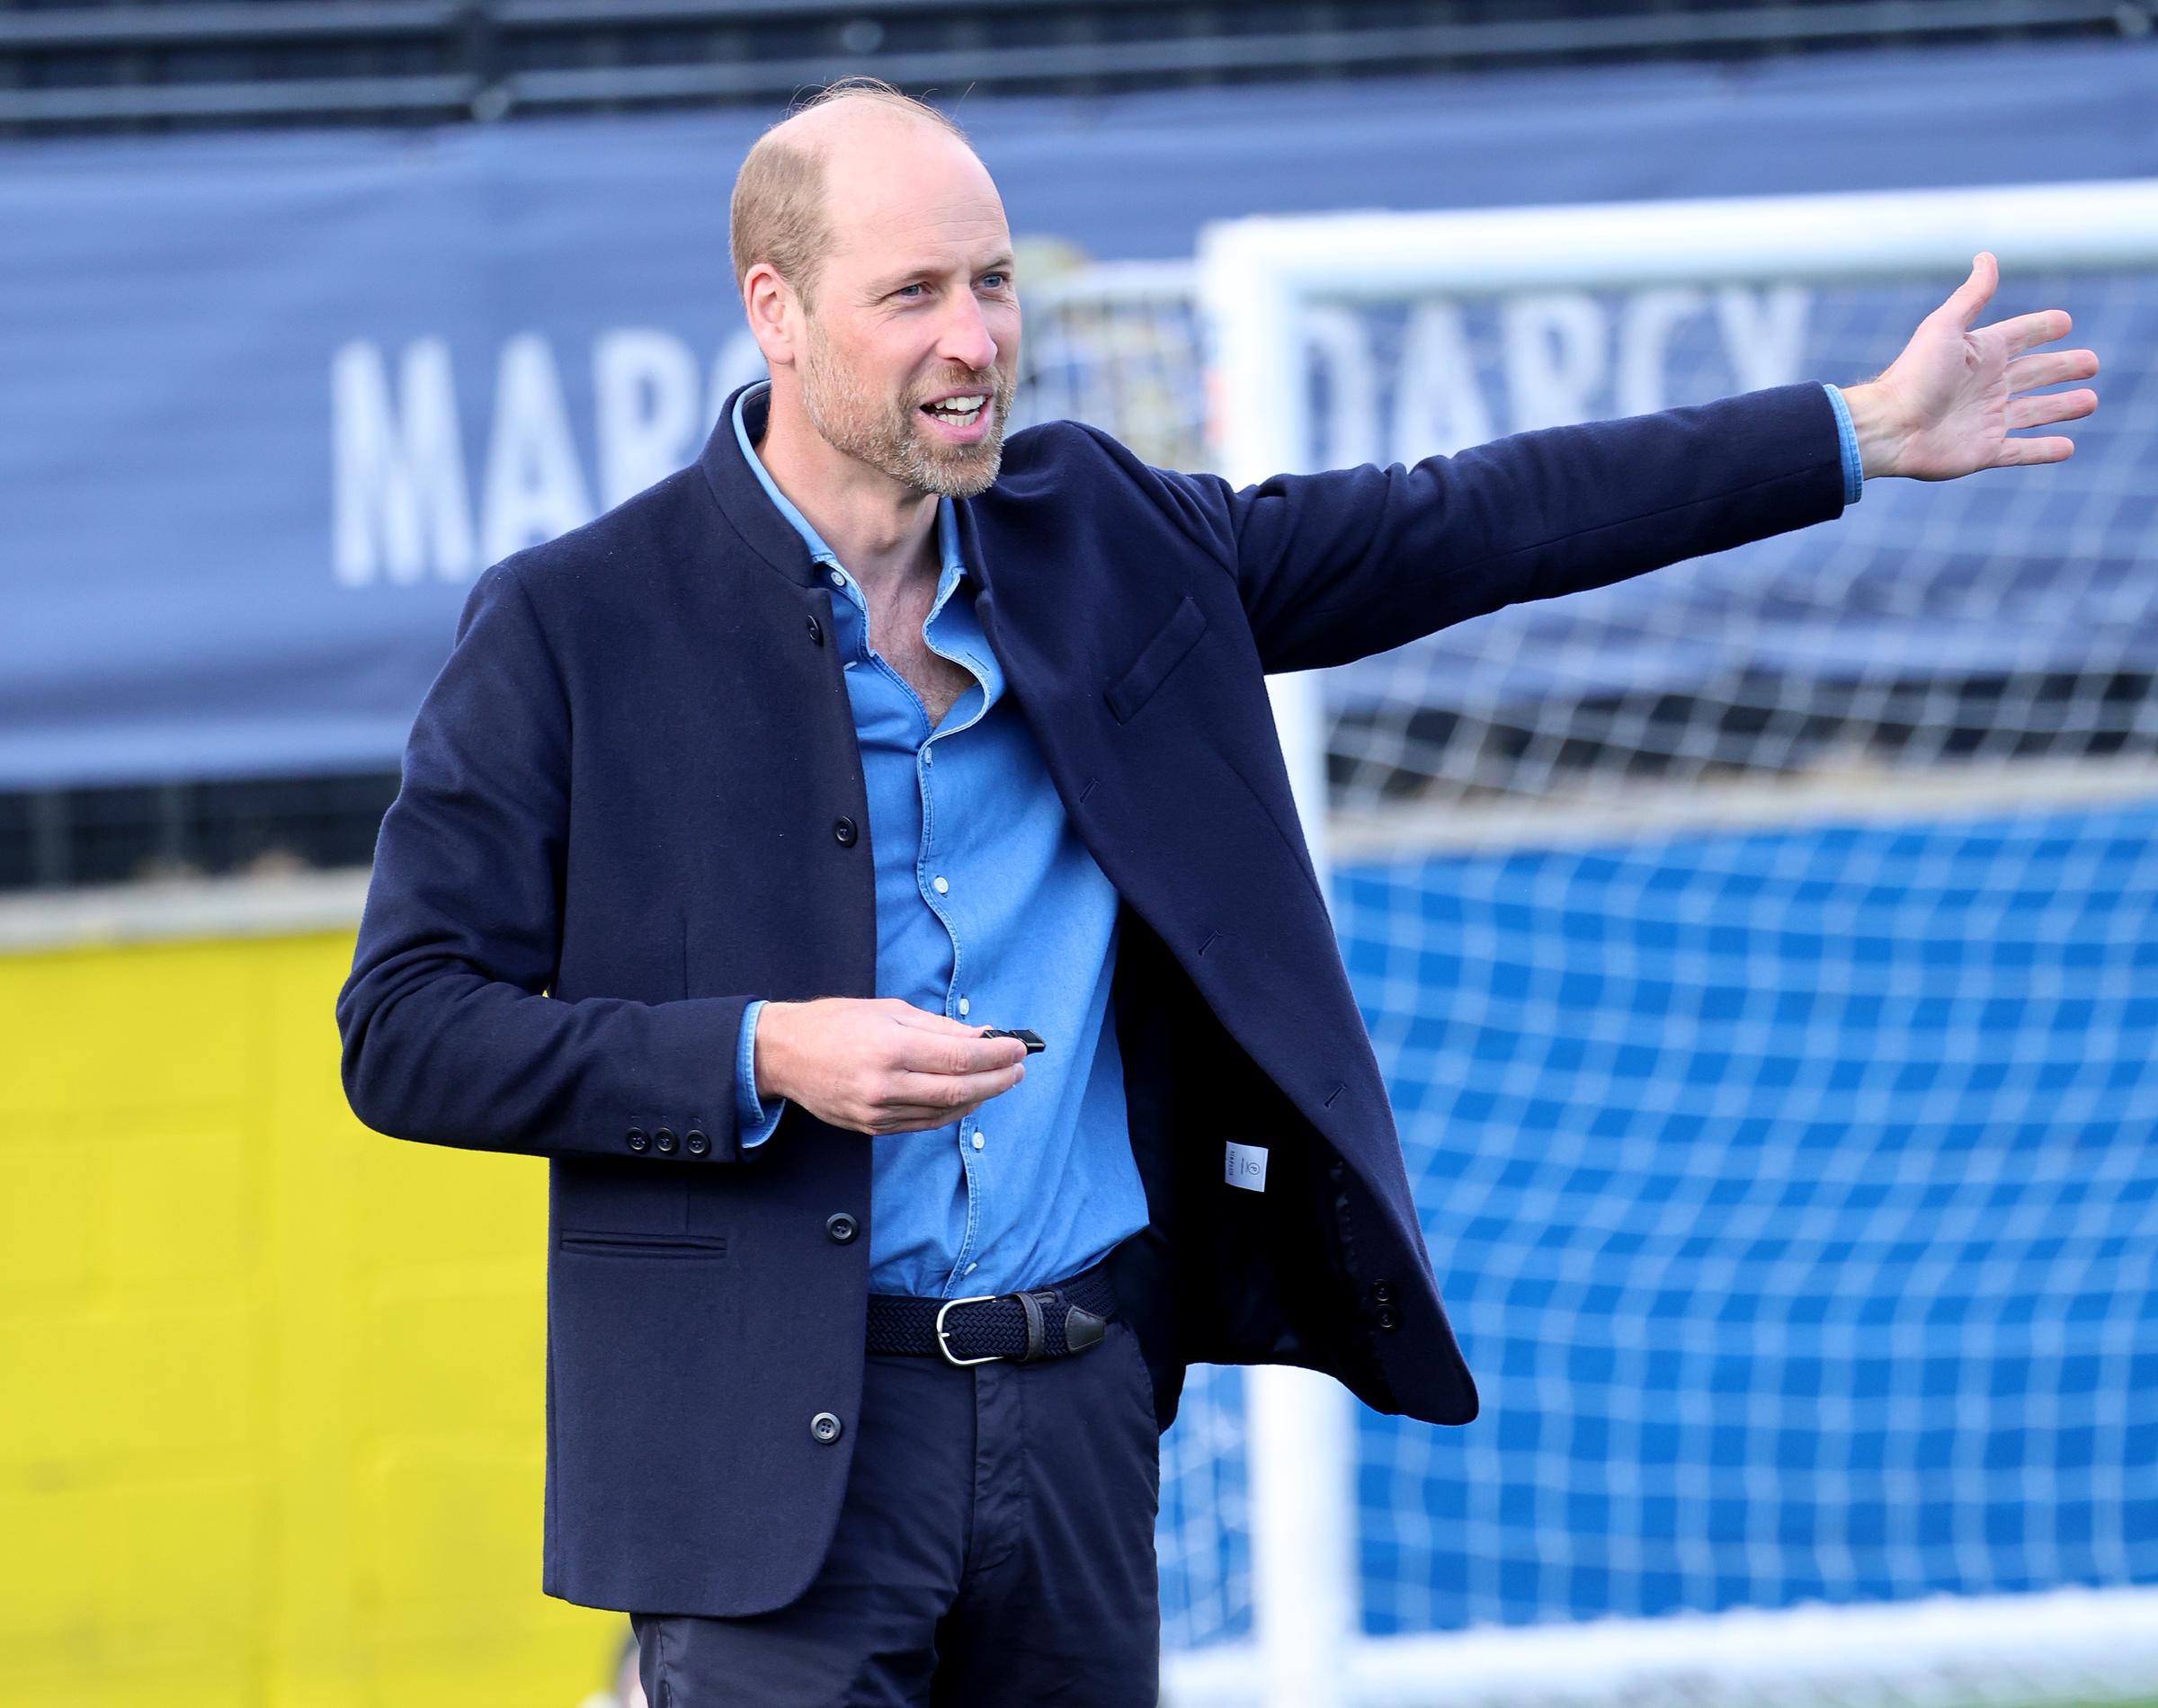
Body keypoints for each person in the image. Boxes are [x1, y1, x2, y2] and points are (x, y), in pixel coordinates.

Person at [334, 76, 2098, 1708]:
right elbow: (407, 1032)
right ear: (774, 310)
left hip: (1081, 1412)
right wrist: (763, 1051)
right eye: (914, 295)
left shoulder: (1106, 536)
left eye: (996, 282)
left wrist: (1852, 429)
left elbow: (1463, 521)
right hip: (765, 1454)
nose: (976, 342)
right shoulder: (576, 622)